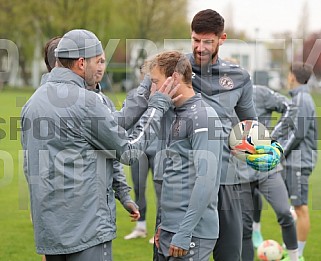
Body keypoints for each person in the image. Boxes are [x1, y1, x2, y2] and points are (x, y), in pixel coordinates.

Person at [21, 29, 180, 260]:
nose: (101, 67)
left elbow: (31, 167)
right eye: (99, 61)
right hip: (88, 230)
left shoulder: (32, 102)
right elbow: (128, 151)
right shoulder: (87, 102)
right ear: (81, 63)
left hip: (50, 233)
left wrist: (123, 193)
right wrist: (157, 107)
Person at [184, 9, 283, 260]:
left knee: (230, 254)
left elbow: (251, 125)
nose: (201, 47)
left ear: (222, 39)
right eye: (196, 40)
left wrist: (264, 148)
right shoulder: (177, 69)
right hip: (185, 178)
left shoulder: (238, 77)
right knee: (179, 253)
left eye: (208, 41)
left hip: (227, 179)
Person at [150, 50, 223, 260]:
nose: (153, 89)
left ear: (174, 78)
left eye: (156, 81)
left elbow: (206, 180)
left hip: (191, 234)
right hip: (168, 230)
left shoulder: (203, 116)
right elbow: (169, 175)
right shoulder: (172, 113)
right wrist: (162, 224)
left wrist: (183, 232)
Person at [236, 84, 299, 261]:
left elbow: (290, 108)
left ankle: (294, 258)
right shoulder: (223, 99)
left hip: (267, 168)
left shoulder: (260, 92)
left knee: (285, 212)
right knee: (244, 228)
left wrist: (274, 137)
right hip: (238, 173)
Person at [272, 62, 318, 261]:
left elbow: (297, 135)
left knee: (300, 207)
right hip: (294, 161)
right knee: (292, 205)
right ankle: (290, 246)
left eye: (288, 74)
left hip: (299, 162)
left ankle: (297, 254)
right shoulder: (299, 98)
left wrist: (278, 153)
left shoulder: (302, 99)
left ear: (292, 76)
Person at [124, 63, 162, 243]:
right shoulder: (133, 96)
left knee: (161, 191)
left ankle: (160, 231)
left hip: (159, 151)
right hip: (139, 151)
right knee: (138, 189)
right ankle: (140, 227)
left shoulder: (164, 95)